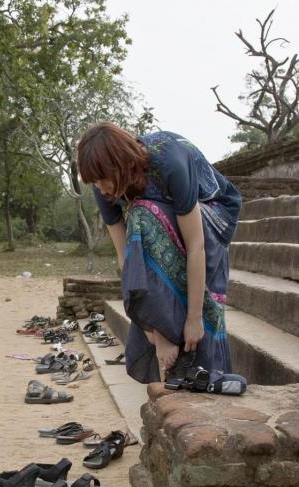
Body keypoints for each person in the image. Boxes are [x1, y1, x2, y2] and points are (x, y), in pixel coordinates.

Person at [77, 123, 242, 383]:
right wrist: (151, 329)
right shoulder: (104, 191)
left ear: (121, 165)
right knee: (141, 214)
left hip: (214, 213)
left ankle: (206, 366)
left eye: (102, 179)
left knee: (142, 212)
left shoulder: (169, 161)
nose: (99, 188)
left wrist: (194, 318)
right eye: (94, 182)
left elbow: (196, 245)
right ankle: (169, 343)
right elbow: (126, 259)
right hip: (164, 217)